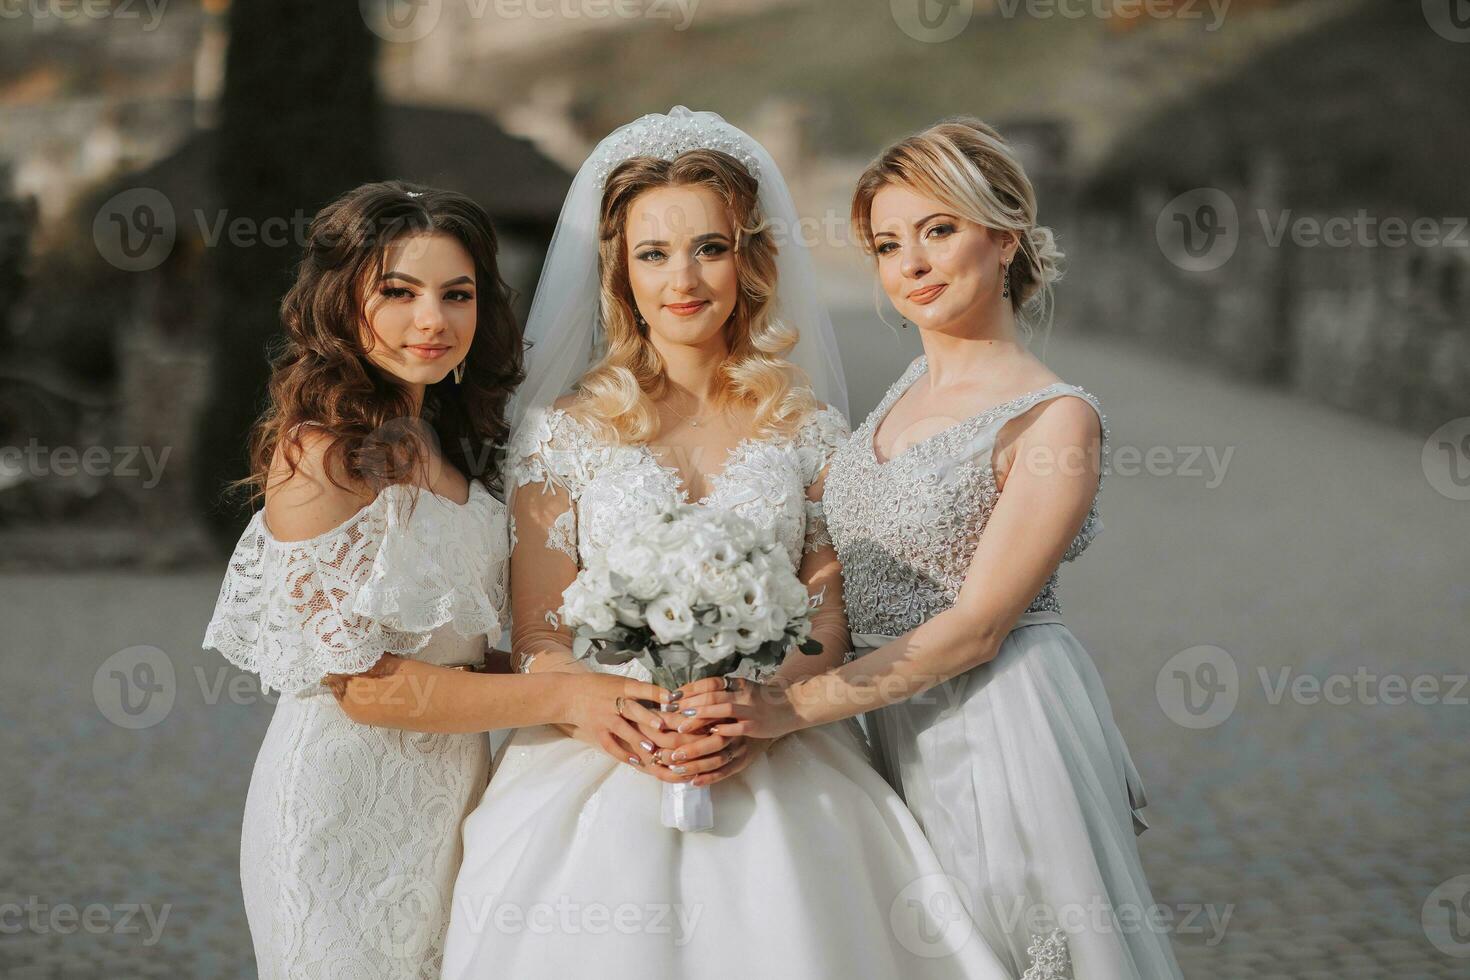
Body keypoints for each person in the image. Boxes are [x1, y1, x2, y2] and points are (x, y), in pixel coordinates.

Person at [441, 108, 1013, 980]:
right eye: (653, 253)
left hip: (775, 742)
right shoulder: (562, 436)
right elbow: (539, 637)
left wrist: (757, 707)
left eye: (710, 247)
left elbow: (826, 620)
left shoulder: (809, 429)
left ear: (749, 261)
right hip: (606, 749)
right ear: (618, 271)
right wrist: (610, 710)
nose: (684, 278)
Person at [677, 119, 1186, 978]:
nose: (911, 263)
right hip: (878, 715)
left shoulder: (1057, 420)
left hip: (994, 721)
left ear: (1003, 240)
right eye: (886, 243)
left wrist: (789, 712)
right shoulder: (905, 388)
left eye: (938, 230)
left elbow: (981, 626)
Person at [201, 181, 669, 979]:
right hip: (339, 808)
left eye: (457, 294)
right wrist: (566, 698)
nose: (433, 320)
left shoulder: (448, 440)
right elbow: (363, 684)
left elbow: (454, 650)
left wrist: (611, 670)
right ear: (342, 301)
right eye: (399, 292)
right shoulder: (321, 453)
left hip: (454, 800)